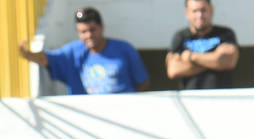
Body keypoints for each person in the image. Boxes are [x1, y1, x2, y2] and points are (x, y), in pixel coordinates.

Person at [19, 6, 149, 95]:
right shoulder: (72, 52)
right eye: (83, 32)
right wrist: (26, 54)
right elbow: (45, 59)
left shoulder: (124, 49)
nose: (89, 35)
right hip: (86, 119)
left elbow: (143, 82)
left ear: (101, 27)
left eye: (92, 30)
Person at [165, 0, 239, 90]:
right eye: (195, 11)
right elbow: (173, 70)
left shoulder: (225, 34)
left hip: (221, 96)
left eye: (203, 10)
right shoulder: (180, 37)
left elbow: (228, 62)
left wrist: (191, 57)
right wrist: (214, 60)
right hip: (189, 96)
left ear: (211, 10)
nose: (200, 15)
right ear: (187, 13)